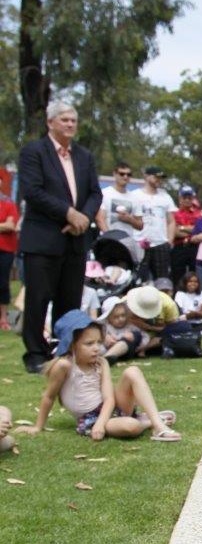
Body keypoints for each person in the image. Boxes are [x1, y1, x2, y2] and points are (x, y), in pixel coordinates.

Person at [17, 101, 103, 373]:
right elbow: (32, 191)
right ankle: (35, 354)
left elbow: (95, 193)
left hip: (76, 239)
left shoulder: (84, 156)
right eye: (64, 120)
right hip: (43, 238)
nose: (70, 124)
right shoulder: (34, 152)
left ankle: (64, 349)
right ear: (50, 122)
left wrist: (84, 217)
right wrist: (68, 213)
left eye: (73, 120)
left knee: (70, 299)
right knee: (38, 298)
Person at [14, 310, 180, 442]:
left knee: (133, 371)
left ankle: (157, 425)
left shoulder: (101, 363)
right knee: (131, 426)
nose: (96, 348)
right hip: (90, 418)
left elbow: (109, 398)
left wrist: (101, 423)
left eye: (99, 342)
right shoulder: (64, 365)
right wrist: (38, 427)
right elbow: (48, 397)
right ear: (72, 345)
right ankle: (146, 421)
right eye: (89, 344)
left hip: (111, 409)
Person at [132, 166, 177, 281]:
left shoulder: (165, 196)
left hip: (160, 242)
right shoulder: (134, 195)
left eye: (161, 178)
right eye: (156, 177)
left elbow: (171, 221)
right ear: (146, 176)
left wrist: (169, 241)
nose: (159, 180)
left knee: (162, 279)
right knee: (139, 279)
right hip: (140, 242)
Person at [97, 296, 148, 362]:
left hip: (127, 351)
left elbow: (145, 336)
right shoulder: (105, 327)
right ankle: (105, 358)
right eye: (116, 317)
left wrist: (140, 347)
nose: (121, 319)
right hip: (108, 350)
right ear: (108, 318)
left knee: (133, 336)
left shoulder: (130, 326)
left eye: (123, 315)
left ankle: (106, 359)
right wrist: (105, 339)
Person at [170, 185, 202, 285]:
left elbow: (199, 229)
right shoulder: (174, 214)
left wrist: (181, 227)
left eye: (190, 198)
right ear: (180, 198)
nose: (187, 200)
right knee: (177, 275)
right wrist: (190, 229)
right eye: (185, 197)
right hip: (179, 247)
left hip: (194, 247)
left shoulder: (199, 214)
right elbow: (174, 232)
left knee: (194, 275)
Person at [0, 176, 19, 331]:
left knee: (3, 283)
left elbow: (11, 225)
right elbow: (5, 225)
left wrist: (6, 225)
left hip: (5, 249)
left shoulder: (8, 203)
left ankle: (3, 318)